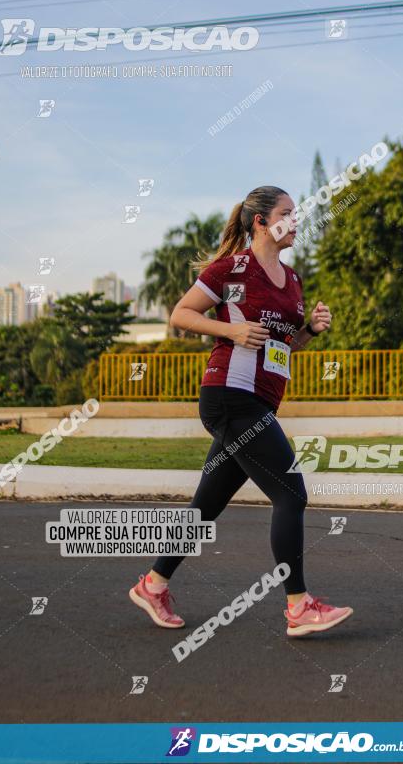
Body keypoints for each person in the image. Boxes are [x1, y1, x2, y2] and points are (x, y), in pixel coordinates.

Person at [129, 185, 353, 637]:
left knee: (205, 506)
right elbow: (182, 313)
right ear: (261, 221)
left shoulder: (292, 281)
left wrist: (309, 330)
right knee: (291, 494)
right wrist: (230, 331)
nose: (297, 221)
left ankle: (153, 585)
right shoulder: (232, 269)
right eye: (288, 213)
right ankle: (298, 606)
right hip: (230, 396)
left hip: (259, 399)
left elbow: (284, 346)